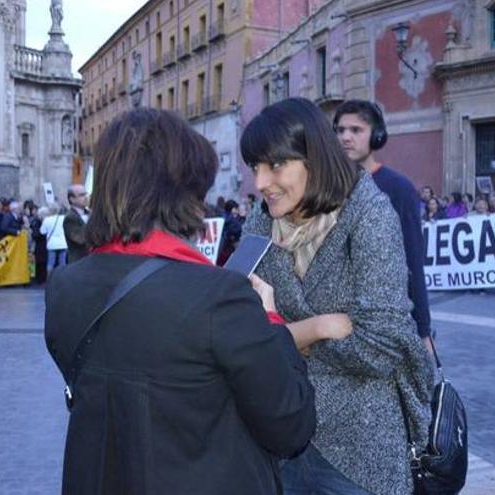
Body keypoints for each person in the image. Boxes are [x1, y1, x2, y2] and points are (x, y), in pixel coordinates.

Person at [45, 108, 316, 495]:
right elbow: (290, 425)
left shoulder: (64, 285)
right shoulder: (220, 295)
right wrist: (270, 320)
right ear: (183, 191)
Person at [242, 97, 433, 495]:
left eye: (275, 165)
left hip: (360, 450)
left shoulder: (368, 212)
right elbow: (238, 334)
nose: (260, 183)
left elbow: (382, 346)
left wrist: (280, 334)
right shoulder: (260, 220)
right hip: (280, 439)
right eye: (255, 167)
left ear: (313, 157)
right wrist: (319, 327)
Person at [334, 99, 433, 347]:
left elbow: (413, 260)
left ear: (376, 136)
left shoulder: (399, 188)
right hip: (334, 321)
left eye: (356, 130)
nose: (346, 137)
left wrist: (423, 330)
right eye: (340, 130)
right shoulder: (327, 188)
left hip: (384, 320)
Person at [63, 184, 90, 263]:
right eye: (82, 195)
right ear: (72, 199)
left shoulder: (90, 213)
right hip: (78, 261)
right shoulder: (70, 217)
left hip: (91, 259)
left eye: (86, 194)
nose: (86, 197)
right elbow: (81, 239)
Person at [40, 207, 67, 276]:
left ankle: (49, 280)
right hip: (62, 243)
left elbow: (42, 232)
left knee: (50, 263)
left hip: (51, 244)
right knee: (62, 263)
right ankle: (62, 279)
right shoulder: (63, 218)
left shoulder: (47, 220)